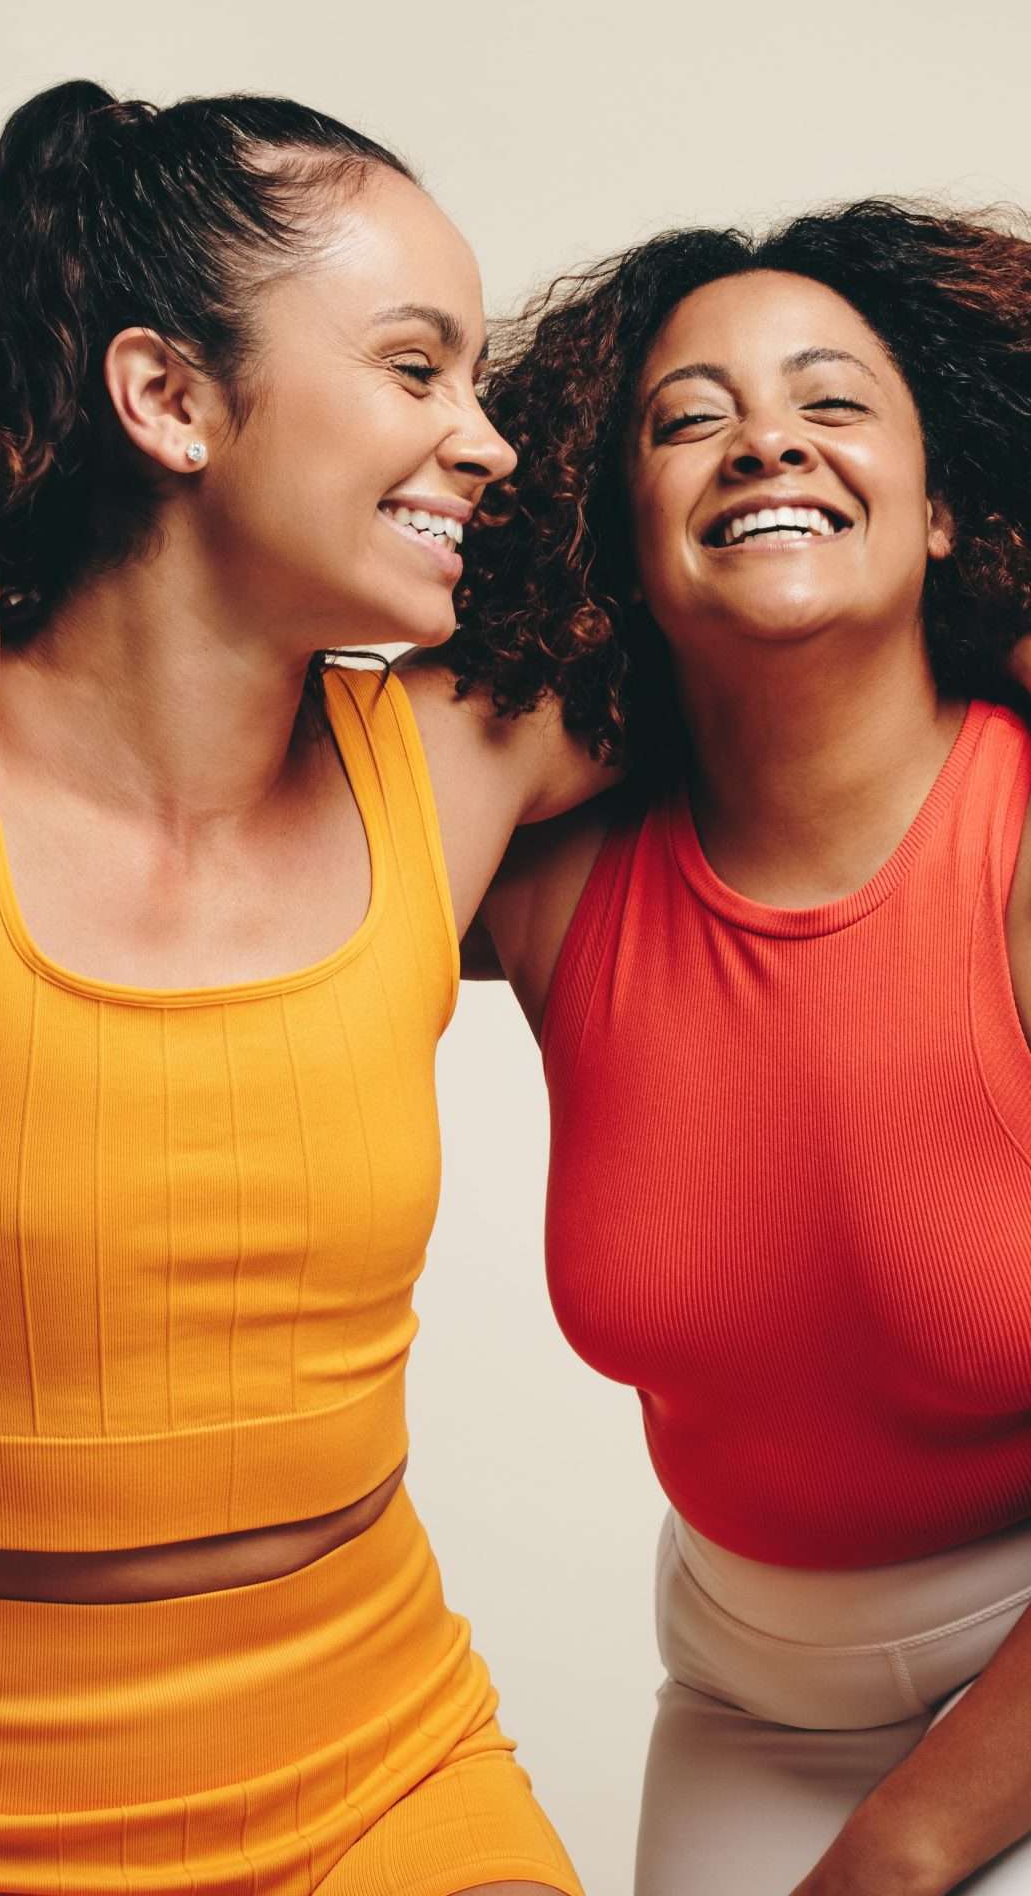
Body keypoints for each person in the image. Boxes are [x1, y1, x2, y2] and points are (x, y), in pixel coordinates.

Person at [0, 79, 608, 1895]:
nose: (485, 440)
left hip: (391, 1766)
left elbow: (856, 574)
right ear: (169, 398)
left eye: (481, 381)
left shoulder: (464, 753)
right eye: (416, 369)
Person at [460, 204, 1031, 1895]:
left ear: (941, 508)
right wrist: (20, 587)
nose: (766, 439)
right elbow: (193, 791)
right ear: (619, 533)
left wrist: (900, 1853)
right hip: (745, 1687)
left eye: (832, 401)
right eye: (688, 419)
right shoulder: (543, 877)